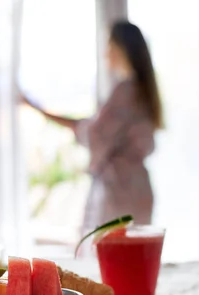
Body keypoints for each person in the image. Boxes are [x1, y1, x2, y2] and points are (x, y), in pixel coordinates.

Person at [22, 20, 163, 234]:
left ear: (121, 48)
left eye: (109, 45)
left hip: (121, 192)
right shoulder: (140, 91)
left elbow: (94, 132)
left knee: (115, 256)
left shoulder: (126, 91)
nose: (106, 53)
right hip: (137, 189)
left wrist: (39, 110)